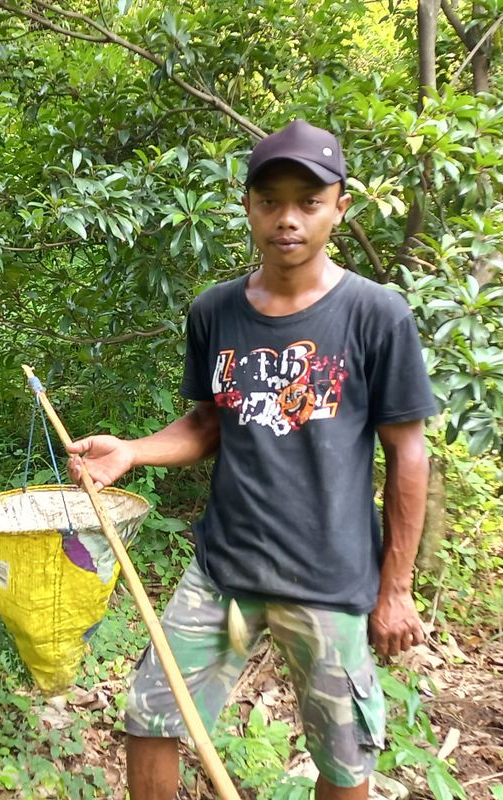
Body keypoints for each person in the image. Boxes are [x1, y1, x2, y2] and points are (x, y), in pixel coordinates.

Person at [67, 119, 437, 800]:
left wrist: (396, 588)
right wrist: (133, 452)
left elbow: (407, 454)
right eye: (270, 201)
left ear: (340, 207)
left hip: (328, 578)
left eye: (308, 201)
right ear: (246, 206)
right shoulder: (215, 312)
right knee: (150, 716)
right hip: (224, 568)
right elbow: (209, 421)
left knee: (344, 757)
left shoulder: (376, 314)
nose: (287, 218)